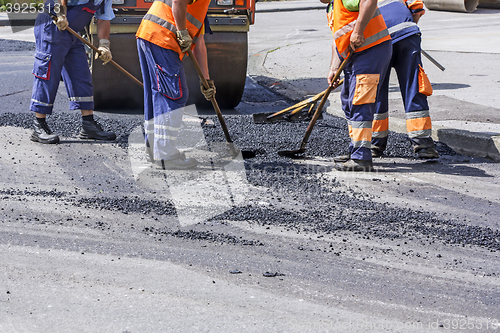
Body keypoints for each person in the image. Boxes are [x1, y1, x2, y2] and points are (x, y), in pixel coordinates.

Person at [135, 0, 215, 170]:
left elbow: (199, 44)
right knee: (174, 95)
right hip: (161, 38)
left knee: (156, 94)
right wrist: (181, 31)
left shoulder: (204, 5)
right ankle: (165, 154)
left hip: (150, 34)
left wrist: (206, 80)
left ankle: (155, 149)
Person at [30, 0, 116, 144]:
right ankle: (39, 125)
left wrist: (104, 44)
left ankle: (88, 125)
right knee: (48, 72)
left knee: (81, 73)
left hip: (72, 31)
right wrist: (61, 13)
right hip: (53, 22)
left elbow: (103, 18)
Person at [325, 0, 392, 171]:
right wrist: (334, 68)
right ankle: (356, 148)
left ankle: (361, 157)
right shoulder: (333, 7)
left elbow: (369, 0)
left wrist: (359, 31)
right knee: (348, 100)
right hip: (355, 55)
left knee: (360, 101)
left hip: (371, 50)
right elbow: (337, 40)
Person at [371, 0, 439, 159]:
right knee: (413, 86)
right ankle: (423, 144)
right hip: (407, 33)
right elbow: (416, 7)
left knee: (377, 89)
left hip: (378, 38)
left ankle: (375, 144)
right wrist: (407, 35)